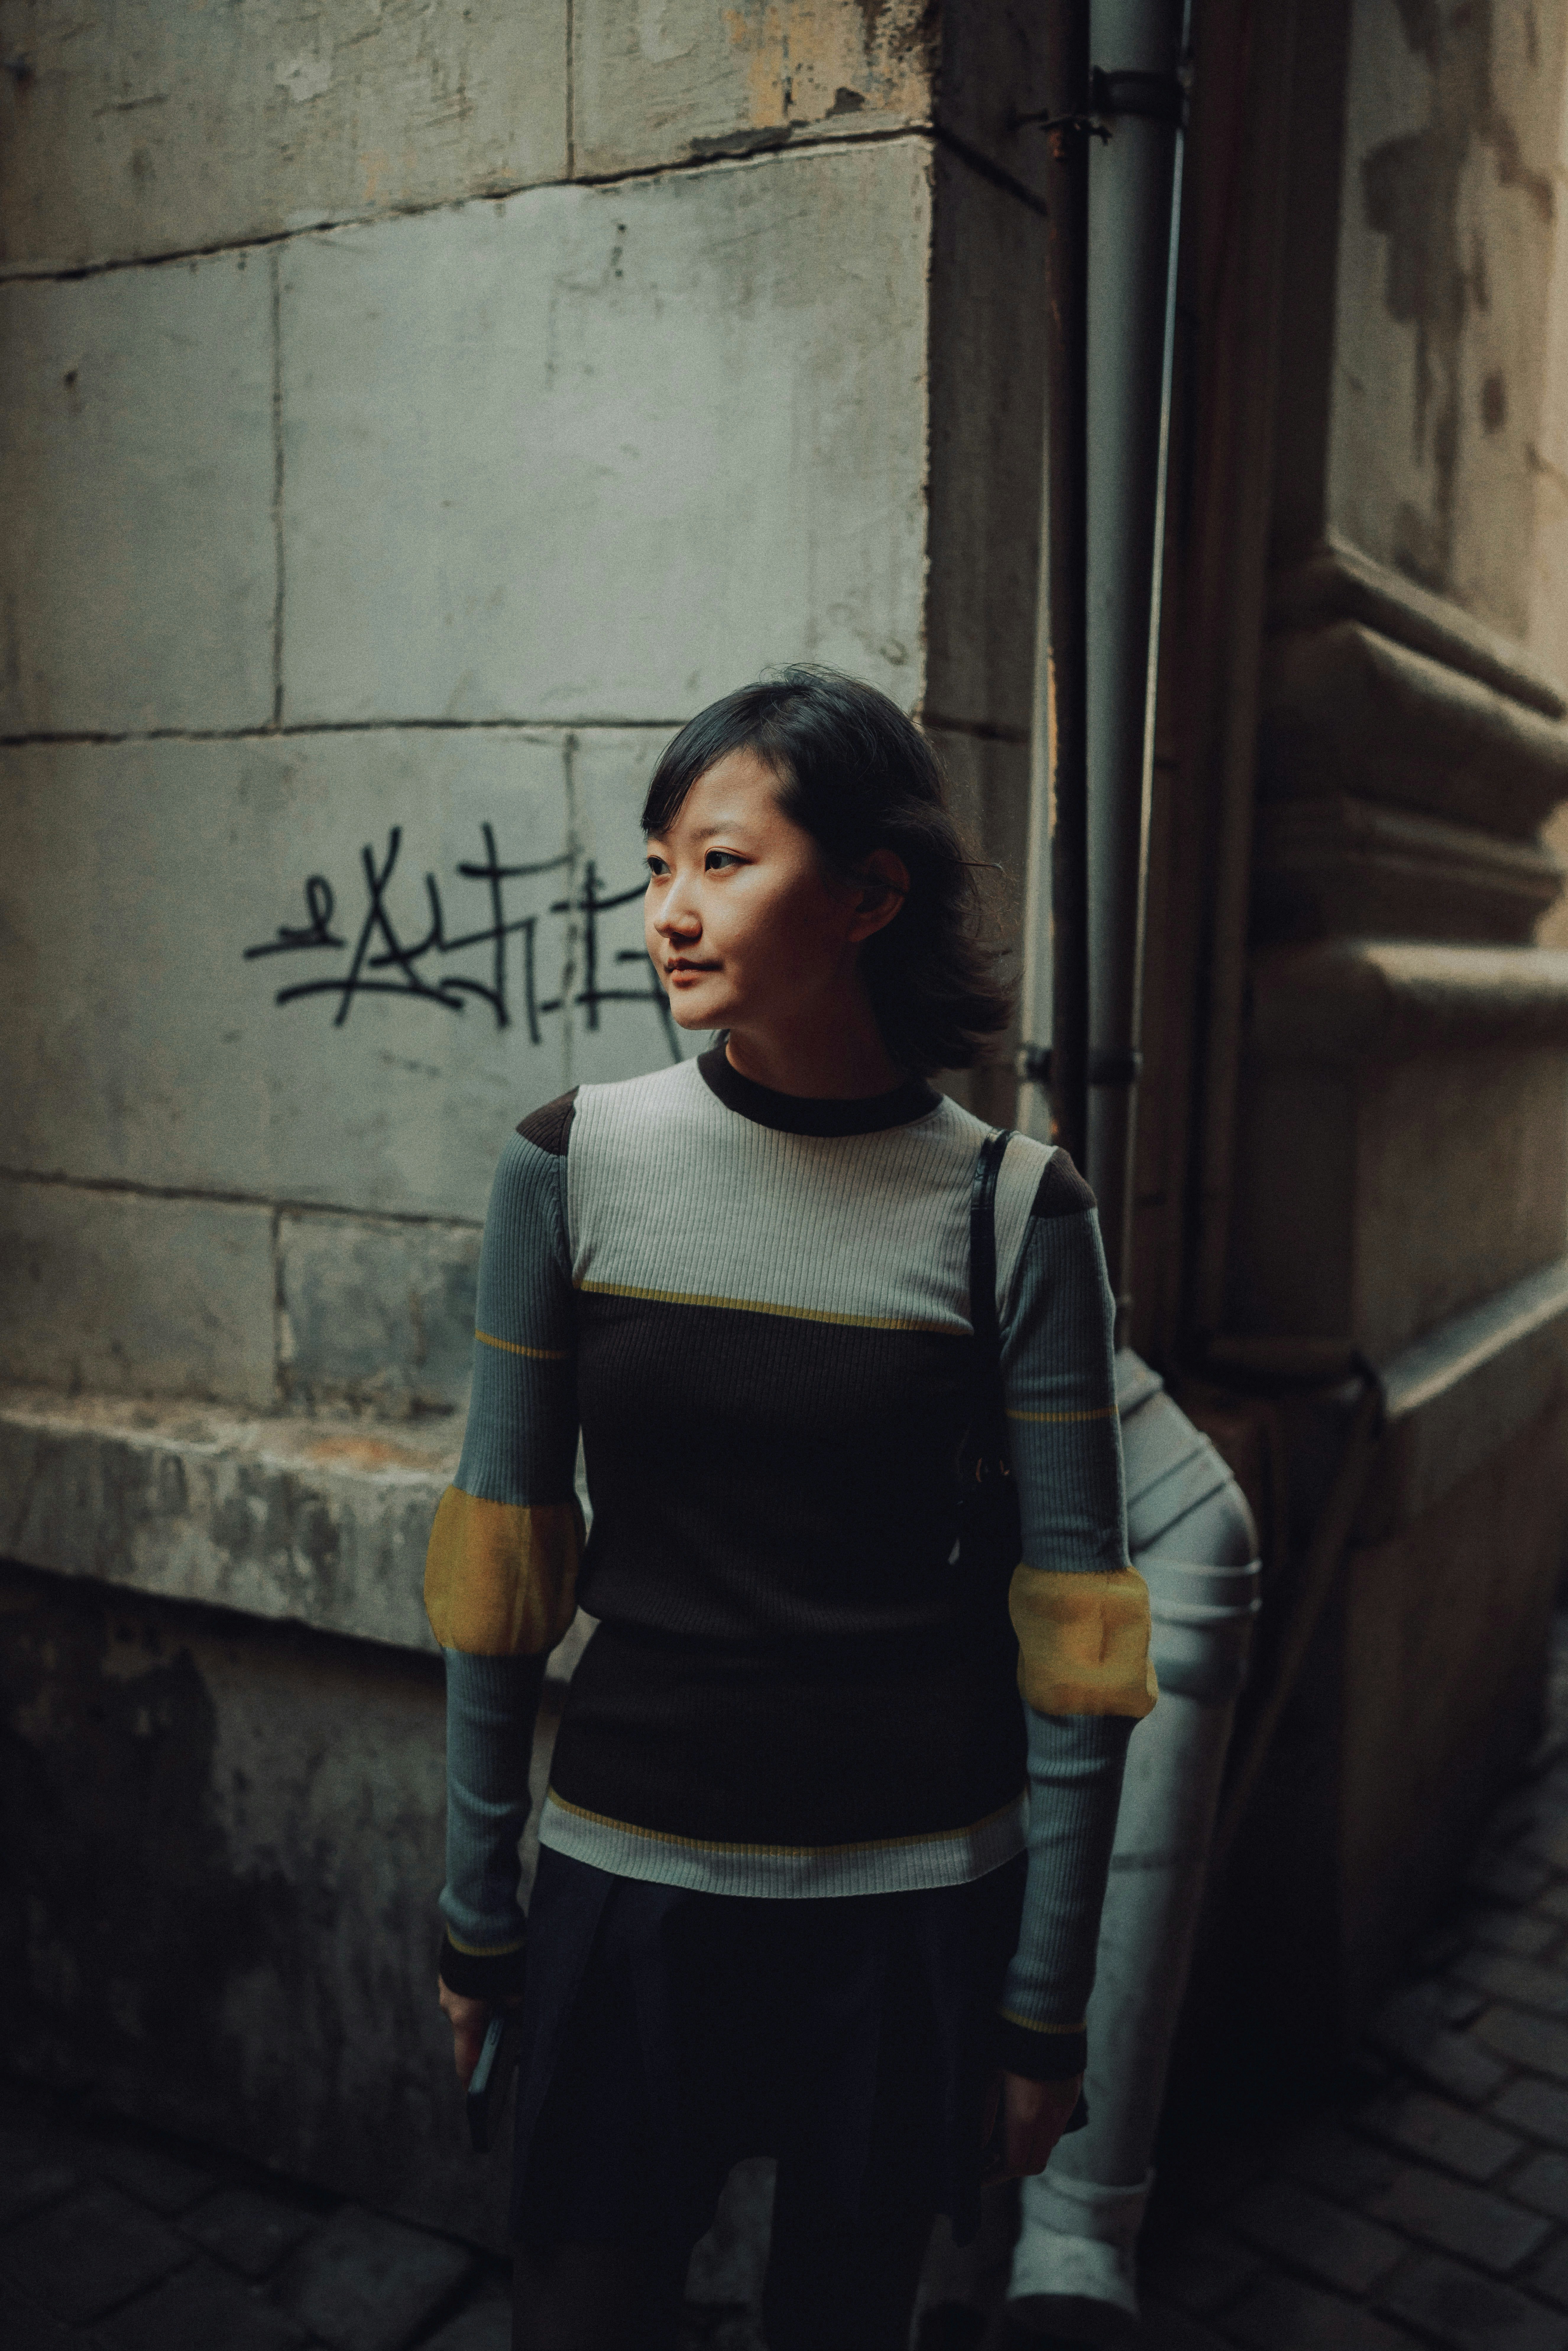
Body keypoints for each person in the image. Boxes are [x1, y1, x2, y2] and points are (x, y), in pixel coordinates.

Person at [425, 668, 1156, 2351]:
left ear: (870, 894)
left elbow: (1082, 1627)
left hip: (907, 1902)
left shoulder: (1013, 1209)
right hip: (626, 1881)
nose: (666, 913)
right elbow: (500, 1563)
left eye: (722, 863)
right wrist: (479, 1902)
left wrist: (1043, 2010)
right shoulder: (570, 1163)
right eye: (657, 866)